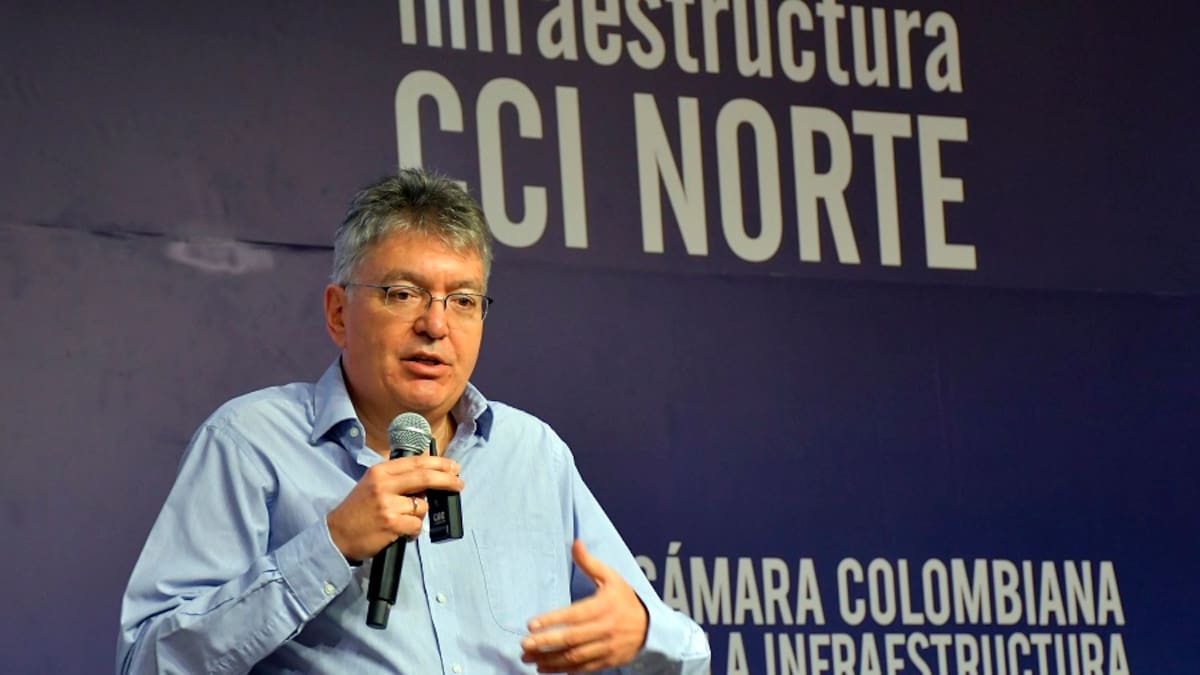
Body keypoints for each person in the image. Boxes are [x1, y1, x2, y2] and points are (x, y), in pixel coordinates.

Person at [117, 168, 710, 674]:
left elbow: (687, 657)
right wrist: (329, 546)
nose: (436, 325)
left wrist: (643, 633)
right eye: (403, 294)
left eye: (464, 301)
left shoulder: (533, 454)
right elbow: (148, 660)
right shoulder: (251, 444)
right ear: (339, 313)